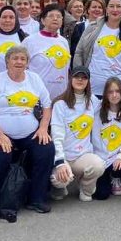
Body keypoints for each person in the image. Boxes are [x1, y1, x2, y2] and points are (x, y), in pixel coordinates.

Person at [0, 45, 54, 220]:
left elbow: (47, 106)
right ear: (7, 62)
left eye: (23, 59)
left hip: (29, 132)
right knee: (0, 153)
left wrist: (43, 128)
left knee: (46, 149)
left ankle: (37, 198)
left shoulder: (34, 79)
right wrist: (0, 135)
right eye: (15, 58)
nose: (19, 62)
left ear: (27, 63)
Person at [49, 66, 105, 202]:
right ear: (70, 79)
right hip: (64, 156)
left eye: (84, 77)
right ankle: (60, 188)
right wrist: (60, 162)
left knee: (98, 165)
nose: (80, 80)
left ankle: (85, 189)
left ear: (88, 81)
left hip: (82, 155)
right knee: (59, 179)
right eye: (77, 77)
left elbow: (109, 106)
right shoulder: (60, 104)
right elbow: (57, 135)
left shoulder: (92, 101)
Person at [74, 0, 121, 97]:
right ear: (106, 9)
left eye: (118, 6)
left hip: (116, 91)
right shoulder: (92, 27)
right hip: (91, 88)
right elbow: (79, 52)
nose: (115, 9)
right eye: (111, 6)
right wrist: (80, 78)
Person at [91, 78, 121, 199]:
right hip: (99, 157)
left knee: (119, 167)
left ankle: (116, 178)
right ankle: (99, 178)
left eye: (117, 91)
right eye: (110, 92)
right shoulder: (97, 110)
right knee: (101, 195)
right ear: (105, 94)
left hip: (117, 157)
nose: (114, 95)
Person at [23, 4, 73, 100]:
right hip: (37, 95)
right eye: (51, 16)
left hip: (61, 96)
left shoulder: (64, 41)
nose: (55, 19)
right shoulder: (29, 41)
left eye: (59, 16)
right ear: (42, 20)